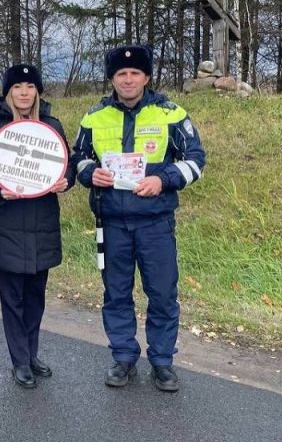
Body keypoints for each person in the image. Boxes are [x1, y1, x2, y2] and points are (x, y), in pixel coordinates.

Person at [72, 45, 206, 392]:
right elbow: (78, 157)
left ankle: (162, 362)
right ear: (112, 79)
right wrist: (89, 173)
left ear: (146, 77)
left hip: (155, 222)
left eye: (135, 73)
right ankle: (123, 358)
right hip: (111, 223)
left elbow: (195, 159)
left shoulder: (171, 114)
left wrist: (164, 180)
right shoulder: (94, 117)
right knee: (116, 294)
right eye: (121, 74)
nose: (128, 79)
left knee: (162, 294)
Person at [0, 64, 74, 388]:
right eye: (17, 87)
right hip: (8, 224)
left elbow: (67, 166)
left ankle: (31, 353)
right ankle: (20, 360)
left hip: (43, 224)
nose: (24, 92)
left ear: (38, 92)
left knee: (36, 297)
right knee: (12, 299)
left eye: (30, 86)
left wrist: (66, 181)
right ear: (8, 93)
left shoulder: (52, 126)